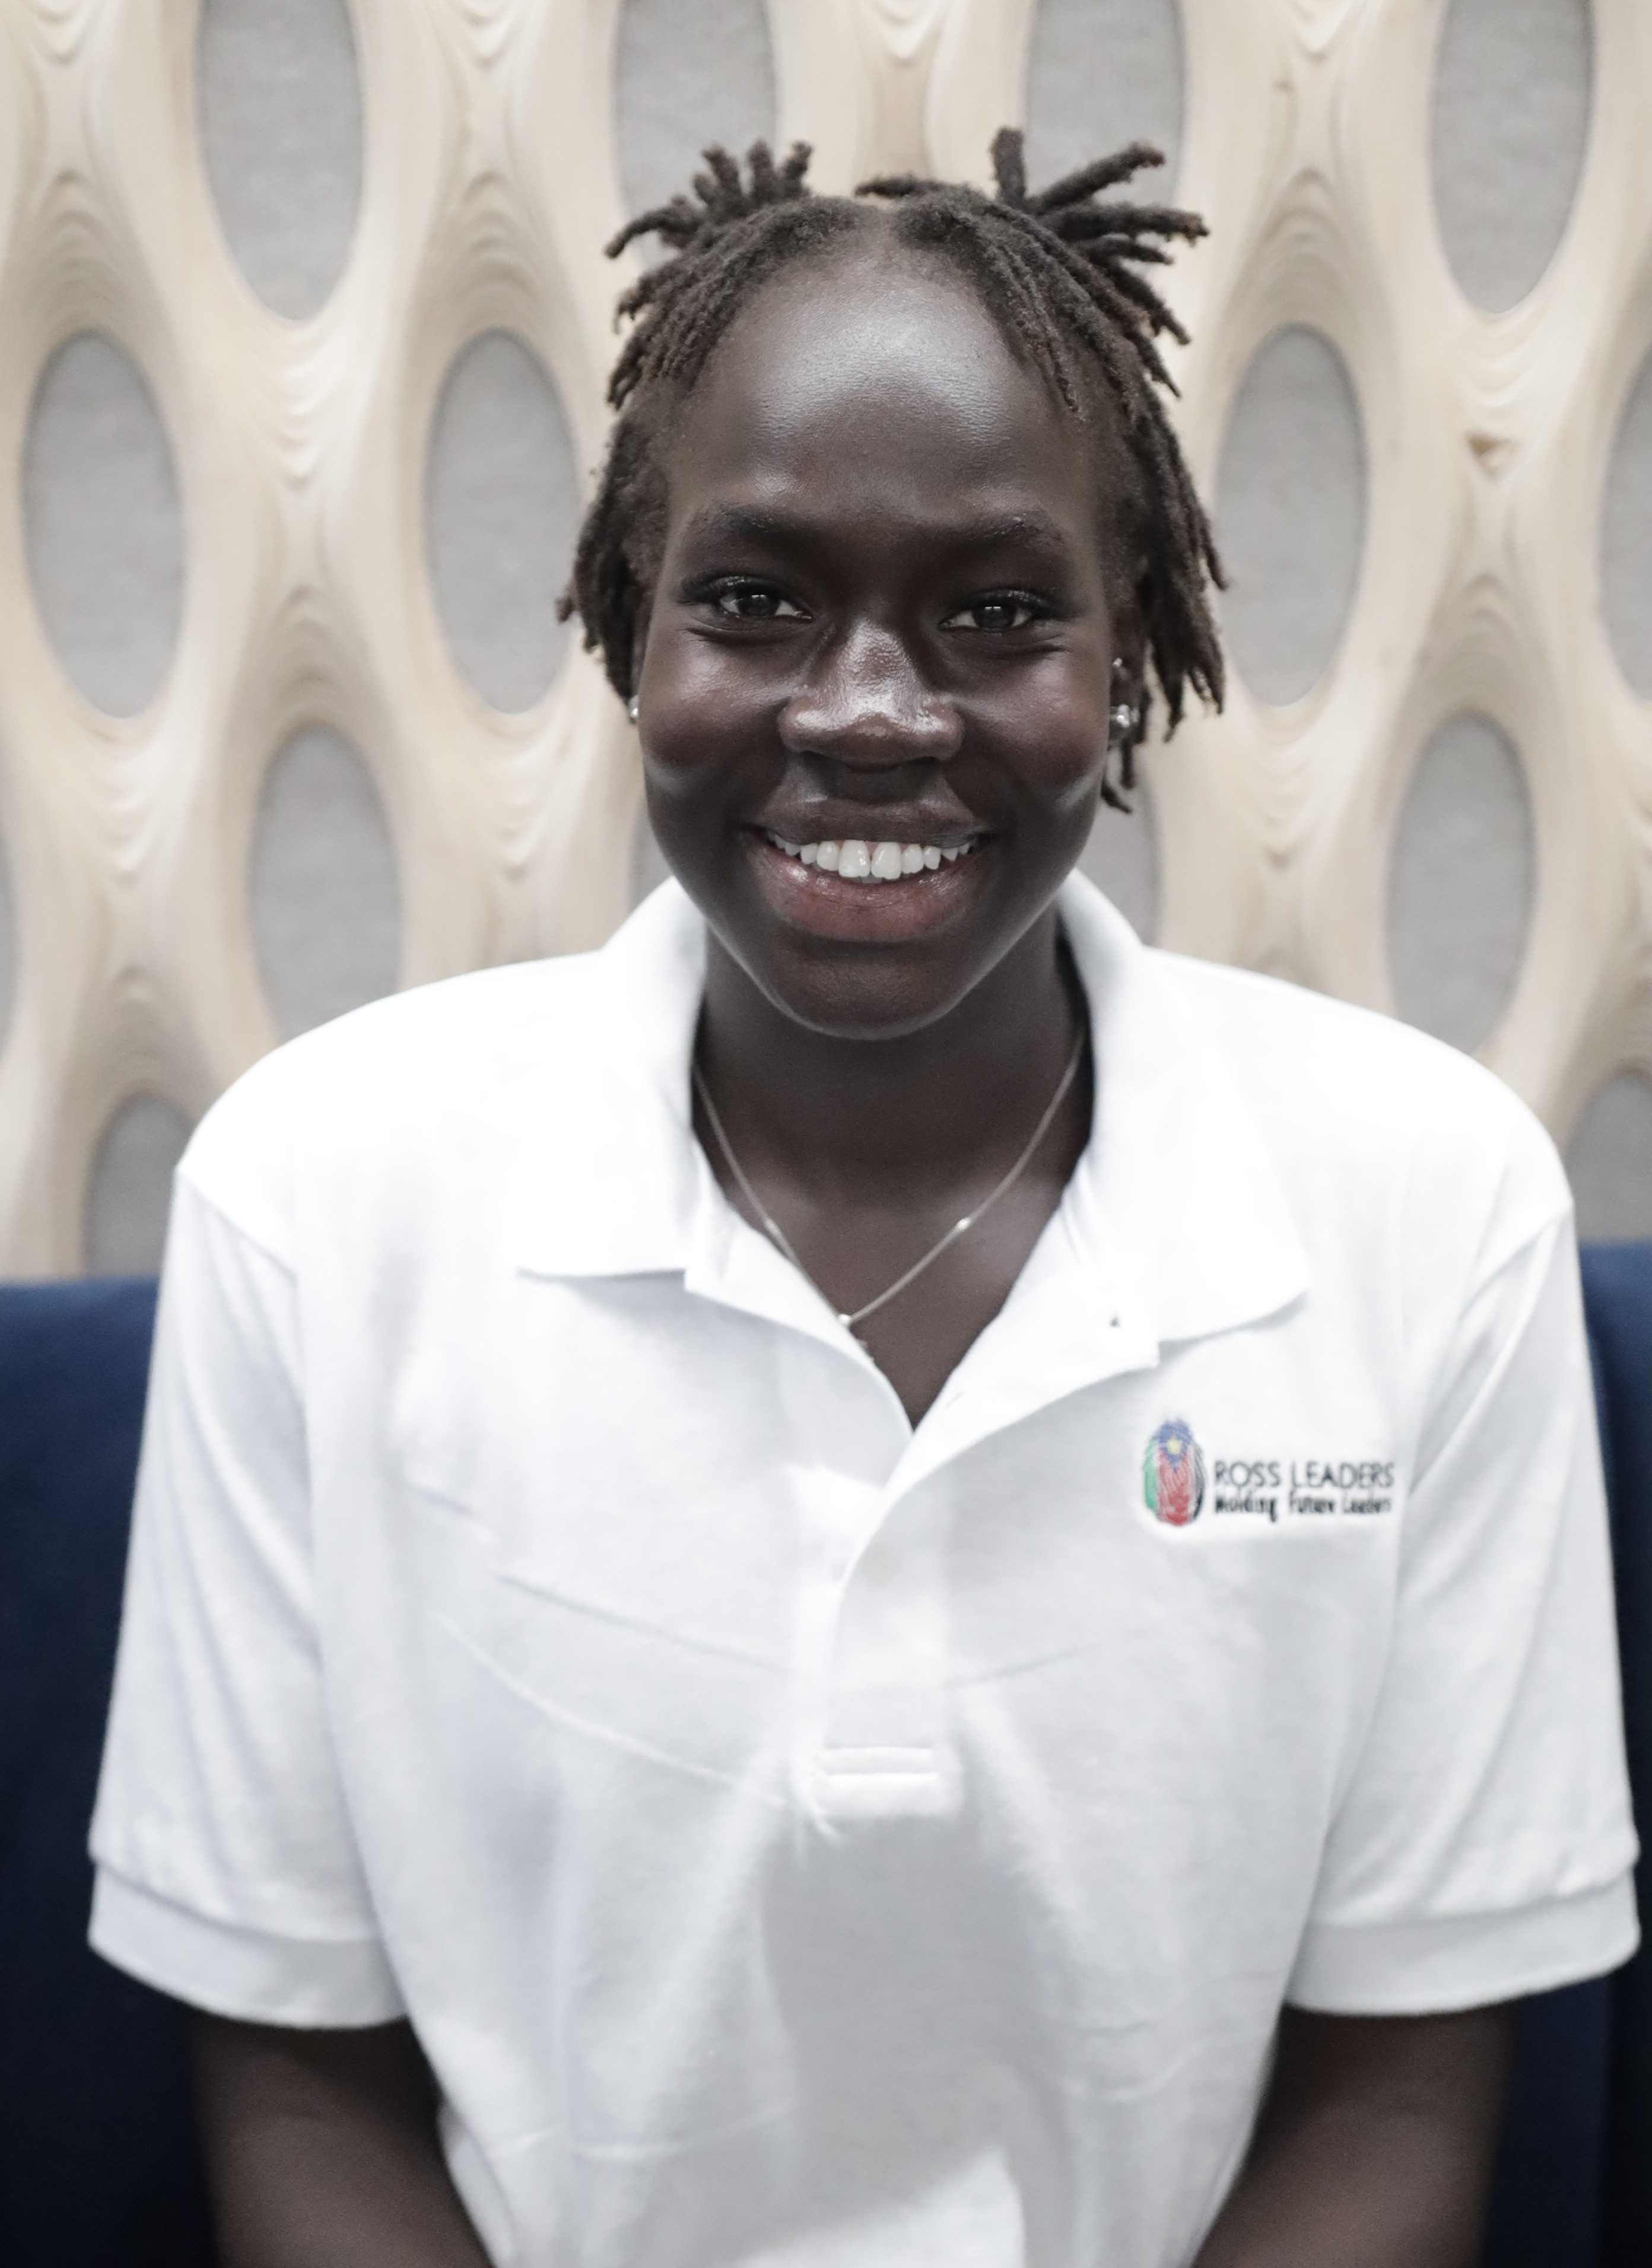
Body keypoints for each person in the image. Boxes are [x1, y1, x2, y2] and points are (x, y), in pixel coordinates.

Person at [90, 132, 1636, 2268]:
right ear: (635, 622)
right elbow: (297, 2075)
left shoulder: (1430, 1203)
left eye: (998, 614)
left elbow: (1395, 2091)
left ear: (1140, 647)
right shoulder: (312, 1196)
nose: (871, 714)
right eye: (756, 600)